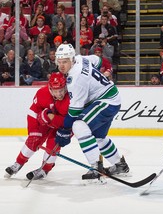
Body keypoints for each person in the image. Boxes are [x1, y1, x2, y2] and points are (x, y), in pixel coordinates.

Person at [54, 44, 129, 180]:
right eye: (59, 62)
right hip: (111, 98)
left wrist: (64, 130)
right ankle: (119, 164)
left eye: (65, 62)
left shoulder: (75, 79)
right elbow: (99, 60)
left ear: (71, 59)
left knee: (79, 125)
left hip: (106, 101)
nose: (61, 66)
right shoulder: (80, 58)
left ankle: (95, 166)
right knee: (98, 137)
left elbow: (75, 111)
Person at [4, 72, 69, 180]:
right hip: (44, 121)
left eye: (61, 90)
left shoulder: (70, 98)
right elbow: (33, 111)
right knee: (33, 140)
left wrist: (55, 120)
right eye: (56, 91)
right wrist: (33, 130)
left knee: (52, 145)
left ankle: (45, 169)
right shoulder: (42, 93)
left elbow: (69, 121)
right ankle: (18, 163)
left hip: (61, 125)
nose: (59, 94)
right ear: (50, 88)